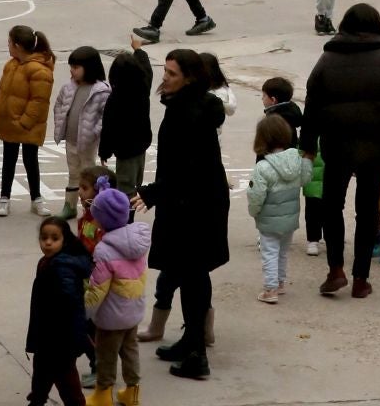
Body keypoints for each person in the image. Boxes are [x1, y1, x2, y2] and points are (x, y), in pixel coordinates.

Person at [301, 1, 380, 301]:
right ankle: (361, 279)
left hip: (337, 144)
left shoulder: (327, 60)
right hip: (376, 147)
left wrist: (308, 146)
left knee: (331, 206)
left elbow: (311, 105)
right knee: (366, 211)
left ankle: (335, 269)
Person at [134, 47, 230, 380]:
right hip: (191, 201)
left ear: (189, 78)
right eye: (165, 71)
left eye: (172, 73)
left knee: (192, 276)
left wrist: (151, 192)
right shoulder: (189, 106)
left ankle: (196, 355)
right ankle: (190, 339)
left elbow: (187, 167)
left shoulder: (187, 113)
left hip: (193, 206)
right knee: (190, 272)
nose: (165, 78)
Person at [85, 177, 149, 406]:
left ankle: (103, 394)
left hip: (111, 318)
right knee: (130, 352)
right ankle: (132, 391)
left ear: (102, 220)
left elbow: (98, 289)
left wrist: (85, 311)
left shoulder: (104, 250)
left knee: (106, 356)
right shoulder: (138, 241)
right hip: (133, 311)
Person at [0, 24, 56, 217]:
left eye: (10, 42)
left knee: (31, 160)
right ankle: (4, 198)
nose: (8, 46)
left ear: (18, 46)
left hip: (26, 125)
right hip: (10, 122)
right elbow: (4, 92)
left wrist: (25, 122)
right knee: (8, 160)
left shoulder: (39, 71)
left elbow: (39, 101)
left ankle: (36, 198)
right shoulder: (11, 65)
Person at [26, 216, 92, 406]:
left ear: (65, 240)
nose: (47, 242)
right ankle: (37, 400)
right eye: (44, 237)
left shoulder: (62, 266)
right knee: (41, 370)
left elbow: (69, 301)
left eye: (54, 238)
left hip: (60, 338)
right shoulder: (48, 261)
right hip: (47, 334)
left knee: (65, 378)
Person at [248, 112, 311, 304]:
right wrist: (307, 160)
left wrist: (254, 211)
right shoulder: (297, 159)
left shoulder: (263, 167)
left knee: (269, 252)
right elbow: (305, 179)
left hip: (269, 219)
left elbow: (256, 195)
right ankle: (280, 283)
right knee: (283, 252)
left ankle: (270, 288)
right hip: (290, 217)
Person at [53, 46, 111, 219]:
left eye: (76, 67)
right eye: (71, 67)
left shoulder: (101, 91)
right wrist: (60, 124)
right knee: (73, 172)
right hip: (71, 140)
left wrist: (95, 131)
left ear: (90, 68)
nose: (72, 71)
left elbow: (105, 116)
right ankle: (69, 205)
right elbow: (59, 105)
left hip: (88, 142)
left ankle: (91, 208)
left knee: (89, 174)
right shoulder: (69, 87)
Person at [99, 47, 154, 200]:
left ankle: (125, 217)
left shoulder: (116, 99)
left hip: (125, 149)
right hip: (141, 145)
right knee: (136, 181)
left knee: (125, 186)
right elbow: (148, 70)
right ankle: (130, 211)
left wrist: (104, 151)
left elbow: (108, 127)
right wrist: (140, 51)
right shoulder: (143, 89)